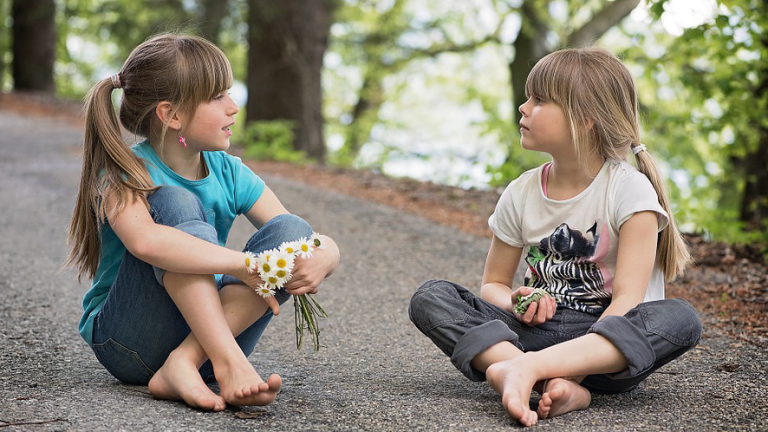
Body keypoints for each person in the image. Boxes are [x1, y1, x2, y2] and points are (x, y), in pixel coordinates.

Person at [408, 47, 701, 427]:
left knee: (680, 318)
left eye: (540, 100)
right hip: (531, 334)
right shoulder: (522, 191)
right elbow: (494, 283)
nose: (523, 108)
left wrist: (572, 372)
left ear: (585, 120)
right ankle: (527, 372)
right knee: (432, 297)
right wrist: (517, 301)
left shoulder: (630, 192)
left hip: (603, 352)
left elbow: (627, 302)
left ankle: (517, 371)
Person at [65, 33, 340, 412]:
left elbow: (297, 234)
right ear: (171, 115)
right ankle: (225, 361)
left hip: (209, 340)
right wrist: (245, 265)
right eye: (217, 97)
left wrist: (327, 253)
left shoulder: (229, 172)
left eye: (229, 93)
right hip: (130, 342)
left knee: (292, 231)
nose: (233, 108)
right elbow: (146, 243)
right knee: (175, 201)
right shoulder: (125, 173)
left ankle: (186, 362)